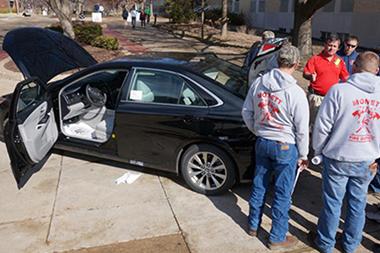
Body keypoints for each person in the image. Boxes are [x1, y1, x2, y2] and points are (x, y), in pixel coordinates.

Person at [311, 51, 380, 253]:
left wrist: (319, 150)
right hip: (367, 159)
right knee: (358, 204)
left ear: (354, 67)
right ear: (376, 71)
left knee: (333, 203)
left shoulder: (339, 91)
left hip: (339, 157)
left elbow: (322, 126)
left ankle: (326, 243)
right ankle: (350, 245)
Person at [242, 45, 309, 250]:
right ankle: (277, 236)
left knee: (259, 185)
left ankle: (253, 225)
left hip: (263, 142)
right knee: (282, 192)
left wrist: (258, 130)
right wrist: (304, 154)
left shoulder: (259, 83)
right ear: (296, 64)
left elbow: (246, 111)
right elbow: (302, 128)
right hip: (285, 145)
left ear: (278, 61)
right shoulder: (296, 92)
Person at [303, 34, 349, 127]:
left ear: (338, 48)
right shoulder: (315, 59)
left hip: (331, 98)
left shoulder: (339, 61)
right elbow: (305, 73)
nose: (331, 48)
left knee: (327, 125)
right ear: (325, 45)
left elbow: (346, 78)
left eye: (334, 46)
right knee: (312, 125)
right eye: (330, 45)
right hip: (316, 97)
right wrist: (310, 76)